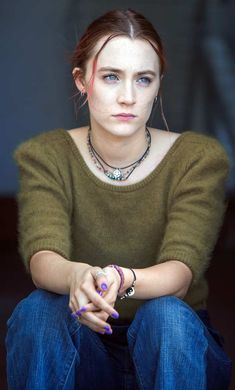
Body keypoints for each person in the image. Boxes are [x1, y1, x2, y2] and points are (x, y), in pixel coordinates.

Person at [6, 8, 232, 390]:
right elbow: (43, 258)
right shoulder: (47, 155)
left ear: (158, 86)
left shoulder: (197, 158)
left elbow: (179, 274)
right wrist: (77, 275)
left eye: (143, 79)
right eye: (111, 76)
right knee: (40, 310)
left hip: (174, 352)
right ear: (82, 80)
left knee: (166, 315)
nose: (128, 97)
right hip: (83, 350)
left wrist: (121, 278)